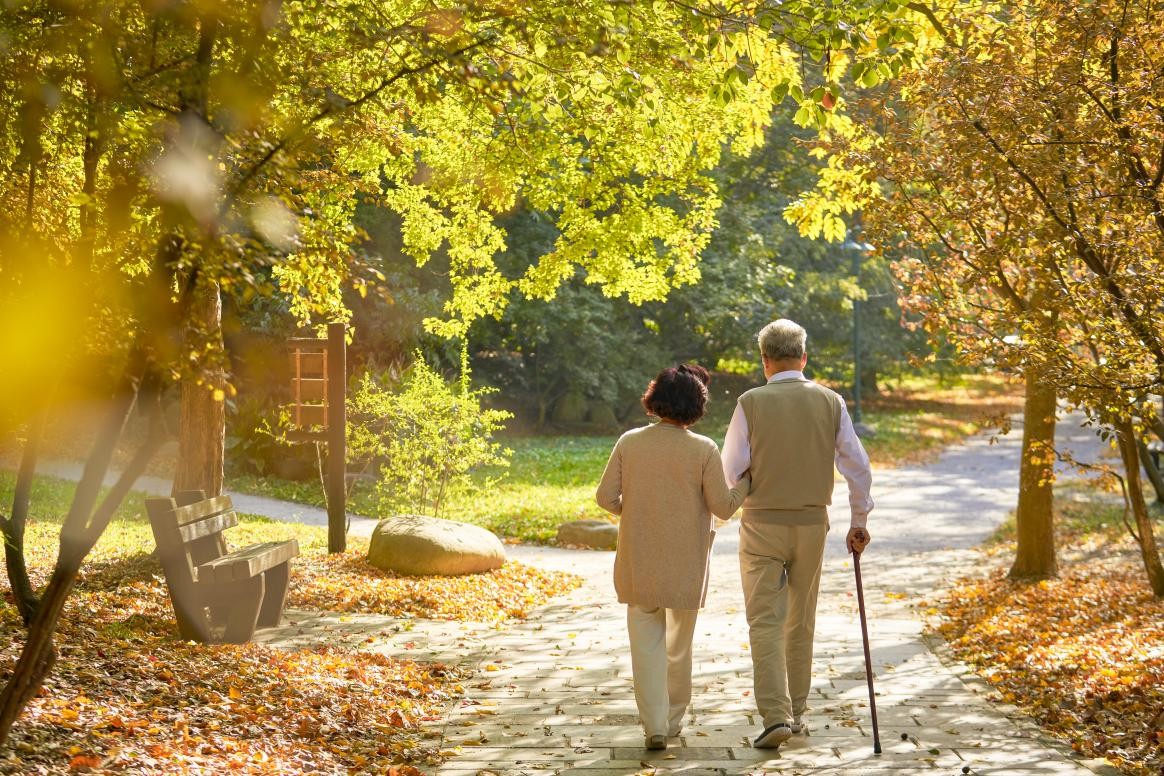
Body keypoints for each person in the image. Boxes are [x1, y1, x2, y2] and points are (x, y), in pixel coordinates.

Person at [721, 319, 873, 749]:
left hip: (761, 524)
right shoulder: (830, 402)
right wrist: (858, 519)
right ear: (804, 357)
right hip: (811, 526)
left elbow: (730, 469)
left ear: (765, 361)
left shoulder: (750, 402)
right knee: (800, 620)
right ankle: (799, 713)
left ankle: (776, 716)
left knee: (764, 622)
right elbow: (856, 466)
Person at [595, 364, 750, 752]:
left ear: (655, 399)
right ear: (697, 406)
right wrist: (746, 482)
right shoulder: (703, 449)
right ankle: (675, 718)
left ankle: (654, 726)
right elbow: (723, 506)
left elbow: (604, 498)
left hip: (639, 559)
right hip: (686, 562)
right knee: (679, 646)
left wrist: (634, 512)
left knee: (645, 645)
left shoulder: (630, 441)